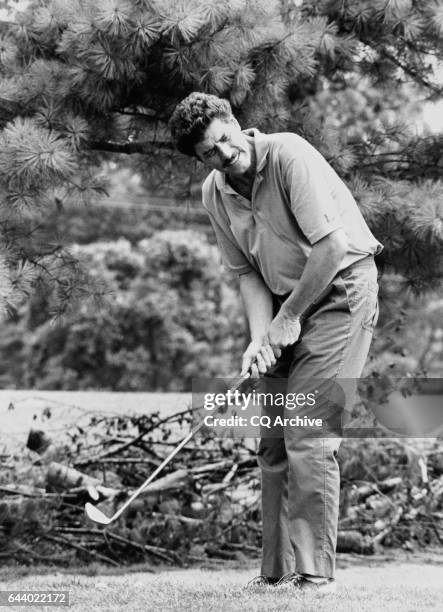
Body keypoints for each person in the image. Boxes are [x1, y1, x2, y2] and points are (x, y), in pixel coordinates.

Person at [169, 92, 383, 594]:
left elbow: (331, 247)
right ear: (199, 160)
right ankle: (276, 572)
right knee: (271, 439)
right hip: (286, 302)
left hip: (340, 291)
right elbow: (246, 272)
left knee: (306, 428)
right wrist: (258, 339)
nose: (223, 155)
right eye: (208, 153)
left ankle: (314, 575)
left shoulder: (287, 153)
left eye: (224, 139)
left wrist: (286, 320)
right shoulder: (214, 193)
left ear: (236, 124)